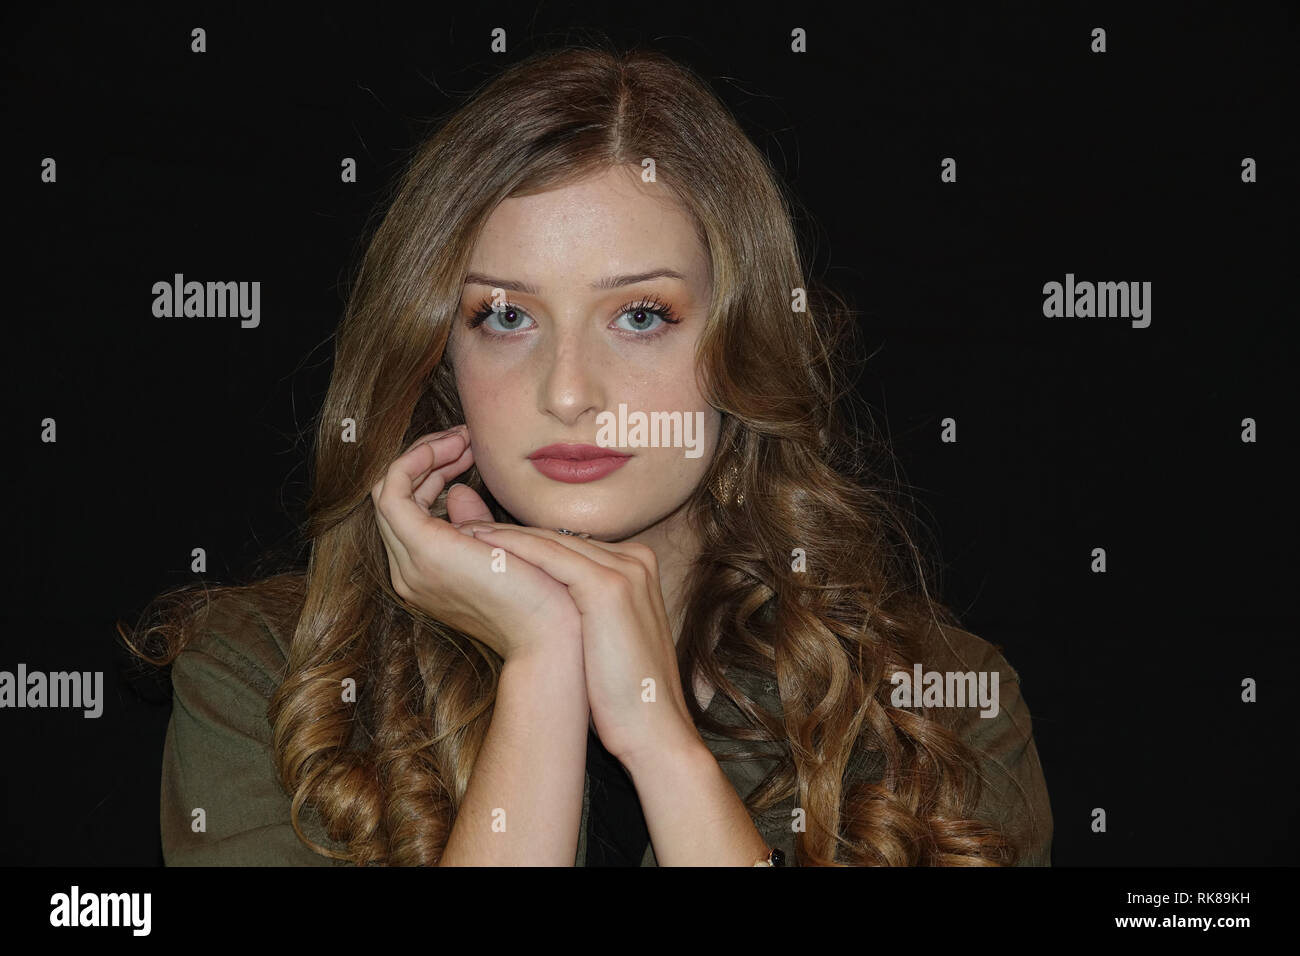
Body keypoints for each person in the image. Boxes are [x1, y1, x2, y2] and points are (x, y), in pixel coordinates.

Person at [122, 43, 1052, 866]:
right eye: (506, 316)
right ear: (439, 354)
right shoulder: (266, 675)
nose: (568, 393)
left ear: (743, 346)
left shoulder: (935, 705)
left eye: (641, 316)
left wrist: (661, 742)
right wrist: (540, 666)